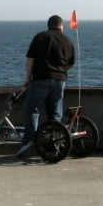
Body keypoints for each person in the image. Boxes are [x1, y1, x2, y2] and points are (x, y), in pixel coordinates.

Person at [17, 15, 75, 158]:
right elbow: (71, 63)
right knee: (55, 115)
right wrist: (61, 72)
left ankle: (29, 143)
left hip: (41, 79)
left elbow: (31, 59)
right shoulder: (68, 40)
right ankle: (54, 146)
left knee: (33, 111)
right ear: (61, 25)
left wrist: (28, 78)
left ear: (49, 25)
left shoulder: (40, 37)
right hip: (60, 80)